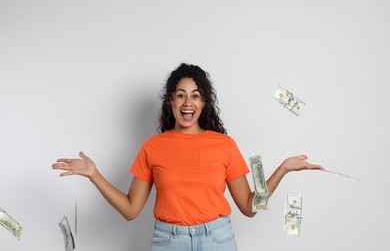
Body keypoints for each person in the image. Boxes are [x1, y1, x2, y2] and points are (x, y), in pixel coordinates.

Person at [52, 63, 324, 251]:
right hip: (169, 242)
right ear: (170, 101)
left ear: (204, 103)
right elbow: (131, 211)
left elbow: (250, 208)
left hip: (218, 240)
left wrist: (281, 170)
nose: (187, 102)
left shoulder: (224, 145)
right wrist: (94, 175)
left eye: (195, 96)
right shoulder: (153, 147)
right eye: (180, 95)